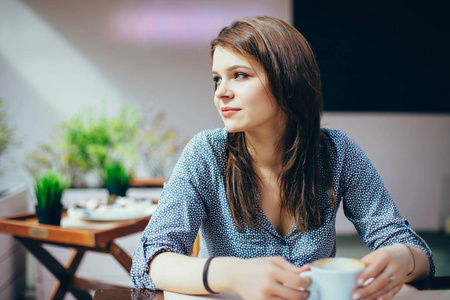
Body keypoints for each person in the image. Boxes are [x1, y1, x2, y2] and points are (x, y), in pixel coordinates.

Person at [131, 16, 434, 300]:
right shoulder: (206, 153)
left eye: (239, 75)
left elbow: (417, 253)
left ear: (287, 80)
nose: (221, 92)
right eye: (216, 79)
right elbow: (149, 261)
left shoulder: (337, 153)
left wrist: (400, 258)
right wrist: (233, 274)